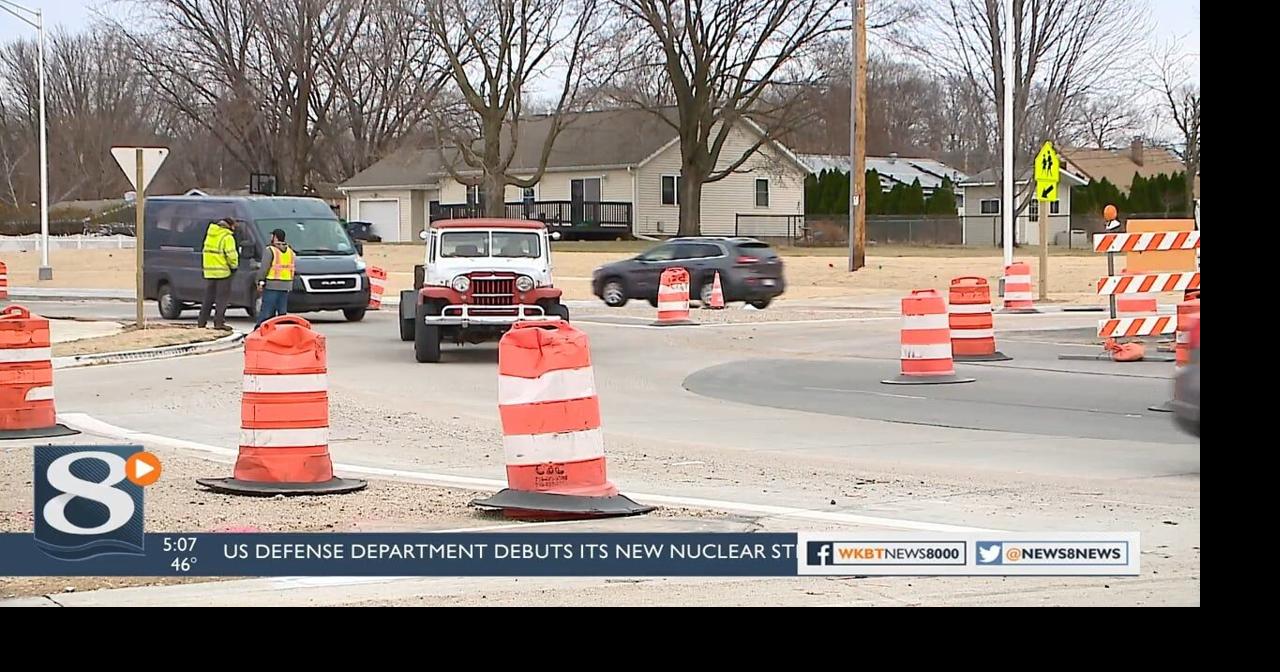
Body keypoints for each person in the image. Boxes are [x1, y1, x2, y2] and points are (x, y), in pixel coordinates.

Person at [199, 218, 239, 329]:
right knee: (221, 299)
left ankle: (201, 322)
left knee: (208, 298)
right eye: (234, 226)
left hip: (209, 271)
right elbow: (231, 255)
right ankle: (219, 322)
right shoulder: (227, 237)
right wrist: (234, 266)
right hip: (223, 272)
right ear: (229, 225)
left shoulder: (210, 234)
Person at [256, 228, 294, 328]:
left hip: (272, 285)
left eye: (272, 235)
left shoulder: (270, 250)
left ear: (275, 237)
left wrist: (260, 281)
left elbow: (264, 268)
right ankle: (280, 333)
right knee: (282, 313)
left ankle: (259, 331)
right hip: (286, 285)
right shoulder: (290, 251)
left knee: (266, 312)